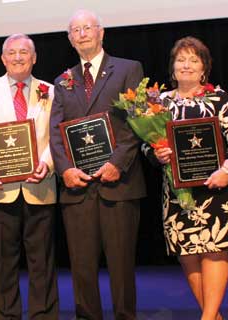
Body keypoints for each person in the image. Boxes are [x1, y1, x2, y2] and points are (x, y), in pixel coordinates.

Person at [49, 9, 146, 320]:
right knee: (81, 266)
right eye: (75, 30)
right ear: (69, 39)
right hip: (77, 188)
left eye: (87, 28)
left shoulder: (129, 69)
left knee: (121, 265)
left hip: (119, 183)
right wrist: (65, 170)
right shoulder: (62, 81)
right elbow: (55, 131)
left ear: (101, 33)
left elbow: (139, 122)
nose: (82, 34)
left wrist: (118, 162)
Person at [146, 36, 228, 320]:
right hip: (178, 193)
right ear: (172, 67)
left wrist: (226, 170)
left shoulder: (218, 98)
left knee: (214, 249)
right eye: (181, 60)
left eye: (194, 60)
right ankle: (213, 315)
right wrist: (157, 154)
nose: (186, 65)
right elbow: (146, 143)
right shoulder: (158, 102)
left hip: (217, 187)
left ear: (204, 67)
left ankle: (207, 317)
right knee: (188, 252)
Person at [0, 33, 59, 319]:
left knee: (41, 260)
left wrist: (48, 163)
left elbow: (55, 136)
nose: (18, 57)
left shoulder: (51, 90)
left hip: (39, 184)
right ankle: (6, 315)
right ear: (3, 58)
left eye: (24, 52)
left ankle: (43, 314)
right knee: (1, 261)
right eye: (12, 52)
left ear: (34, 58)